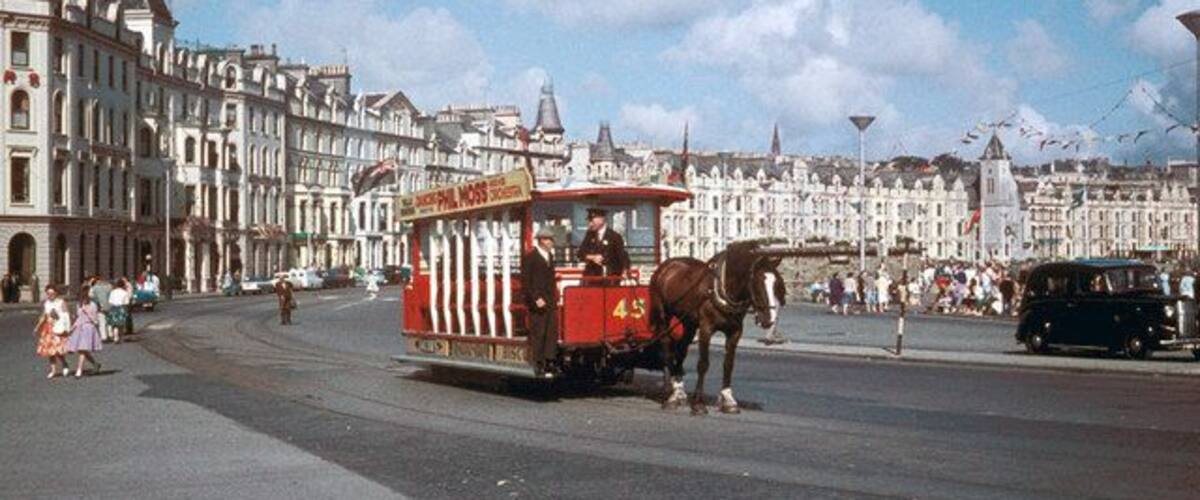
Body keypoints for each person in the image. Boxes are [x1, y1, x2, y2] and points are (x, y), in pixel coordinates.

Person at [522, 227, 560, 377]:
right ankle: (538, 363)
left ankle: (549, 361)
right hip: (537, 302)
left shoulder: (550, 256)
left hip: (550, 300)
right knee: (539, 332)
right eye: (549, 239)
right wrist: (535, 298)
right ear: (542, 240)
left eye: (551, 239)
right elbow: (526, 282)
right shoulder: (531, 257)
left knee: (551, 331)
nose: (551, 242)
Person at [576, 208, 629, 281]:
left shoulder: (614, 237)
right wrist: (592, 257)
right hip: (592, 277)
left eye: (592, 221)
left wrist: (625, 271)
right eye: (589, 221)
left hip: (610, 278)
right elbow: (580, 253)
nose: (590, 224)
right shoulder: (589, 235)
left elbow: (623, 256)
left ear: (601, 219)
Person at [35, 284, 71, 379]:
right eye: (48, 293)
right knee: (49, 351)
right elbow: (44, 316)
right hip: (48, 328)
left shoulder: (61, 302)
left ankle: (64, 364)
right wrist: (38, 327)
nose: (50, 295)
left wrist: (67, 328)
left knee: (58, 350)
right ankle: (53, 370)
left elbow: (66, 316)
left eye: (52, 293)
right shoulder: (46, 303)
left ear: (56, 293)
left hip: (58, 327)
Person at [67, 285, 103, 378]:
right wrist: (72, 327)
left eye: (84, 296)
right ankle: (95, 364)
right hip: (79, 328)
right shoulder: (78, 305)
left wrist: (88, 312)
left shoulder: (93, 305)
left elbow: (95, 320)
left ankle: (79, 370)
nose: (82, 299)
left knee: (83, 350)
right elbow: (78, 318)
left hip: (89, 328)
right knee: (82, 350)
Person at [107, 279, 131, 343]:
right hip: (121, 308)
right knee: (121, 324)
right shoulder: (124, 292)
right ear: (123, 285)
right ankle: (120, 337)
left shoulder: (112, 292)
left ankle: (115, 337)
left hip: (113, 308)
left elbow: (110, 301)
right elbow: (126, 302)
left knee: (114, 324)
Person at [90, 276, 114, 342]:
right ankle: (110, 334)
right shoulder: (110, 286)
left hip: (100, 306)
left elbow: (91, 296)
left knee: (102, 322)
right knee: (109, 322)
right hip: (110, 306)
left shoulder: (94, 288)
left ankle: (104, 337)